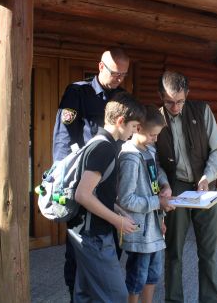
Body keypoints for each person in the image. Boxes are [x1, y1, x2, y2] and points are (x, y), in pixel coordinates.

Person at [51, 48, 130, 301]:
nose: (119, 78)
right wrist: (64, 182)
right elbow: (63, 139)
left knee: (110, 246)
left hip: (109, 181)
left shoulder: (122, 97)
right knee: (79, 251)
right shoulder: (78, 92)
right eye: (115, 73)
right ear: (100, 67)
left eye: (123, 75)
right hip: (83, 182)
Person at [155, 71, 217, 303]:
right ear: (160, 96)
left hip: (206, 188)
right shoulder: (154, 120)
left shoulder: (202, 111)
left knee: (208, 253)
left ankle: (211, 300)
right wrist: (164, 184)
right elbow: (154, 161)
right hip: (175, 189)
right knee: (173, 252)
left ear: (187, 93)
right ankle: (174, 300)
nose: (175, 107)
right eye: (169, 102)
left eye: (179, 101)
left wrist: (207, 176)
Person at [71, 92, 145, 303]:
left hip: (83, 231)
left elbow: (98, 192)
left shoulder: (99, 141)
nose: (133, 133)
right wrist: (117, 220)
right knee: (116, 297)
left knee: (85, 294)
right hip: (93, 235)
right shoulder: (104, 148)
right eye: (132, 127)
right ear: (121, 121)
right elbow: (83, 194)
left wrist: (119, 210)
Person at [117, 105, 176, 303]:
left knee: (153, 274)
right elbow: (125, 199)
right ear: (138, 128)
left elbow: (157, 172)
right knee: (136, 277)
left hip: (154, 229)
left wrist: (165, 185)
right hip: (140, 231)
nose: (156, 139)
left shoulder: (149, 149)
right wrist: (157, 203)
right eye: (152, 135)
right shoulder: (129, 158)